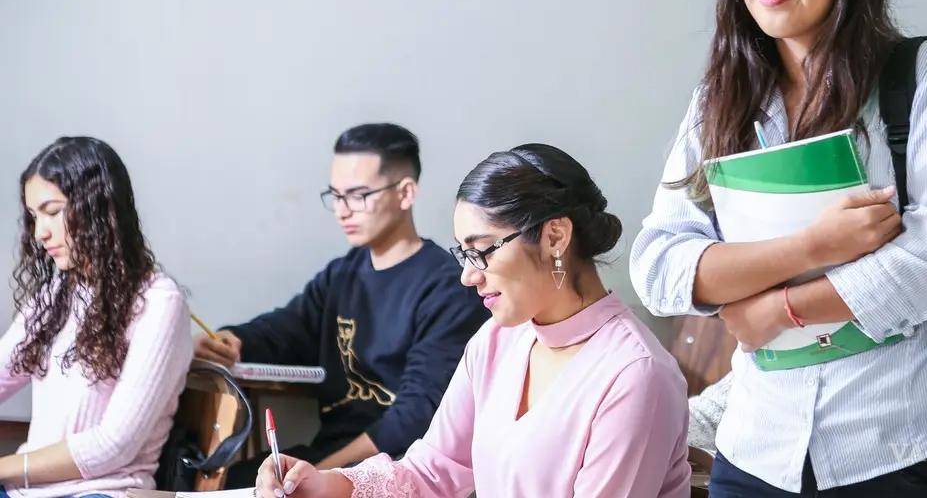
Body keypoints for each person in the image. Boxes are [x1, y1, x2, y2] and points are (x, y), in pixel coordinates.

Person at [631, 0, 927, 496]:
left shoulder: (922, 75)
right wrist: (811, 248)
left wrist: (775, 308)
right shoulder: (719, 97)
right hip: (757, 450)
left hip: (892, 444)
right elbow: (658, 263)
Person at [254, 143, 691, 497]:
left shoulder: (635, 376)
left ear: (555, 236)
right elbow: (432, 470)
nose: (468, 274)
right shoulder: (497, 340)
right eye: (464, 253)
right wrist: (327, 486)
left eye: (483, 249)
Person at [192, 123, 487, 487]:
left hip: (400, 467)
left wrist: (327, 475)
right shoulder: (343, 275)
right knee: (222, 480)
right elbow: (288, 327)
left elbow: (417, 415)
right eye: (336, 196)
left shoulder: (447, 287)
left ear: (405, 192)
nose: (343, 211)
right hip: (331, 454)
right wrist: (233, 339)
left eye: (358, 195)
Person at [0, 137, 192, 497]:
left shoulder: (159, 302)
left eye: (52, 211)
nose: (40, 233)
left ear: (96, 207)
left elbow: (112, 446)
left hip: (101, 492)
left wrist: (4, 468)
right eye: (33, 216)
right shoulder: (57, 294)